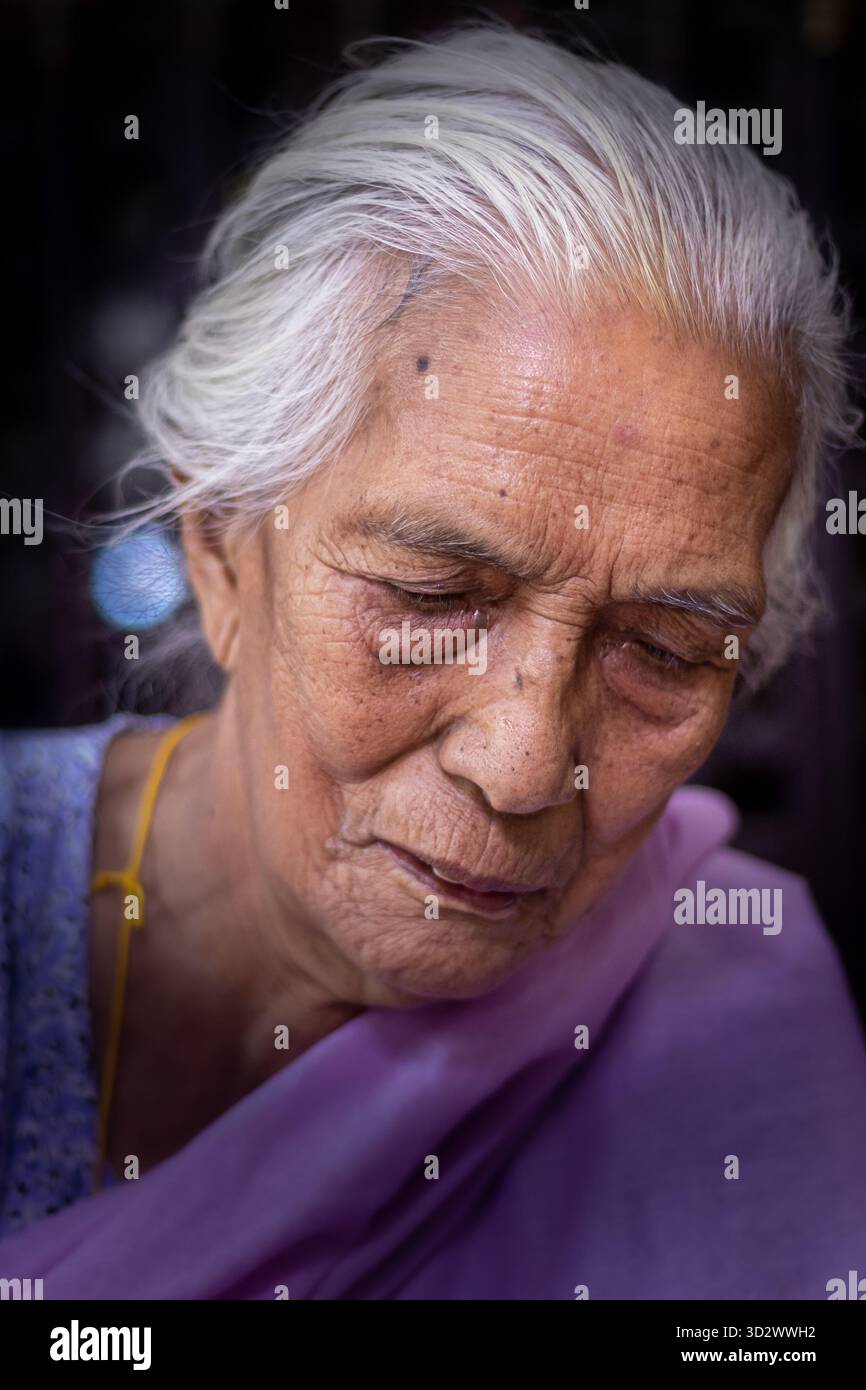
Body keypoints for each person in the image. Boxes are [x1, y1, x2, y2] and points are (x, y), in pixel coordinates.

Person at [1, 24, 864, 1299]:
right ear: (225, 548)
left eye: (662, 651)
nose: (522, 769)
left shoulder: (735, 1028)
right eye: (433, 595)